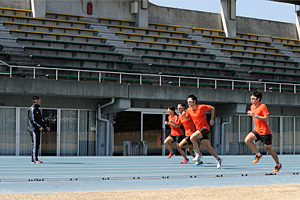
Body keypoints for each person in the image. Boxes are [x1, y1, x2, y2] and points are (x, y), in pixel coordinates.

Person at [245, 90, 282, 172]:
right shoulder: (252, 107)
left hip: (265, 132)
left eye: (253, 98)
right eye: (251, 98)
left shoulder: (263, 106)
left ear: (258, 99)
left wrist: (255, 115)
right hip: (257, 130)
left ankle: (278, 164)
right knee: (247, 140)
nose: (252, 100)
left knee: (269, 149)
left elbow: (266, 118)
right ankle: (258, 154)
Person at [183, 94, 222, 169]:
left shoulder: (201, 107)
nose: (188, 103)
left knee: (192, 137)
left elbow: (212, 108)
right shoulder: (188, 110)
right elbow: (188, 119)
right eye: (187, 102)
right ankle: (218, 159)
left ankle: (198, 153)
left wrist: (212, 118)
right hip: (199, 130)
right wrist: (184, 116)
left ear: (194, 101)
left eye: (190, 101)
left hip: (205, 128)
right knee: (208, 146)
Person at [28, 96, 50, 164]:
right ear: (35, 101)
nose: (40, 102)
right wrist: (38, 127)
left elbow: (41, 120)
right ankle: (34, 159)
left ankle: (36, 158)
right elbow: (32, 120)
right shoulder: (32, 109)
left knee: (37, 143)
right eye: (39, 100)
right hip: (33, 129)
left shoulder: (38, 109)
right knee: (34, 144)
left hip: (38, 129)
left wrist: (45, 127)